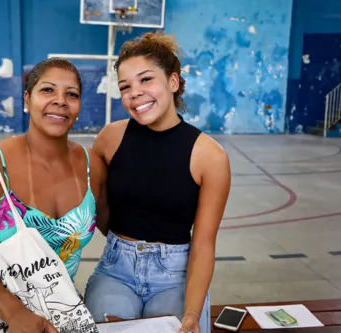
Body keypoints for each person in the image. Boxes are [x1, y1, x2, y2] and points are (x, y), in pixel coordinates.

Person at [0, 57, 108, 333]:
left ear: (78, 106)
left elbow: (120, 228)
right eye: (48, 90)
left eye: (72, 94)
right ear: (27, 100)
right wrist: (16, 314)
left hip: (54, 296)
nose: (61, 100)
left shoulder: (92, 166)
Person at [84, 31, 231, 333]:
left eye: (146, 80)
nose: (134, 92)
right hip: (116, 270)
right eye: (125, 86)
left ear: (173, 83)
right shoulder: (109, 139)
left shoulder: (209, 156)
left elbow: (203, 244)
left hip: (176, 275)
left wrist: (192, 313)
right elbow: (99, 209)